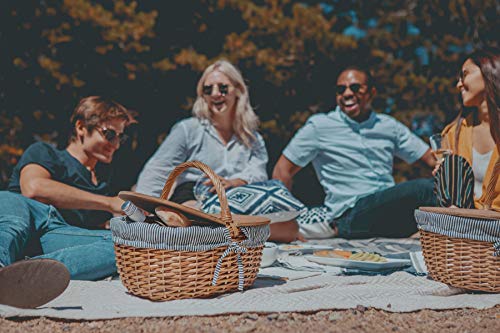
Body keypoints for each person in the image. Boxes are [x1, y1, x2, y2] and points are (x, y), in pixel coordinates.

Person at [136, 60, 301, 242]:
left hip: (239, 199)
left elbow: (259, 174)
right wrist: (142, 210)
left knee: (291, 229)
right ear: (203, 96)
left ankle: (219, 235)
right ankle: (229, 234)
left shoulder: (252, 138)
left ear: (238, 90)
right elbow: (159, 169)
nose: (215, 94)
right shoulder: (188, 129)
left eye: (223, 88)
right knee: (202, 218)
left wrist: (235, 182)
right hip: (194, 196)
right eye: (208, 90)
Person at [273, 65, 437, 239]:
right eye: (340, 90)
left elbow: (431, 158)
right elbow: (282, 170)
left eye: (356, 88)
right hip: (349, 215)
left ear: (372, 93)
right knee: (425, 189)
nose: (347, 94)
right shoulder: (319, 127)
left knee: (446, 182)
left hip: (387, 211)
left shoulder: (388, 126)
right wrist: (284, 221)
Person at [0, 96, 134, 308]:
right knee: (14, 223)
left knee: (128, 243)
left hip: (54, 235)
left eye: (120, 137)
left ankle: (21, 277)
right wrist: (109, 203)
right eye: (109, 134)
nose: (115, 144)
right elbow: (33, 188)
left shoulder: (104, 181)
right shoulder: (45, 152)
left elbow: (88, 235)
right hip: (20, 211)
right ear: (81, 127)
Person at [434, 48, 499, 210]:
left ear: (489, 71)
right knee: (420, 188)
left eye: (465, 74)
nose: (459, 84)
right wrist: (445, 176)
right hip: (463, 221)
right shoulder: (453, 133)